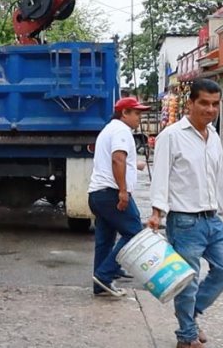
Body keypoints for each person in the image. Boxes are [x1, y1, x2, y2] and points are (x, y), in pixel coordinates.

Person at [148, 79, 223, 348]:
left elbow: (220, 177)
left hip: (212, 220)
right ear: (190, 103)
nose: (210, 109)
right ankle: (187, 337)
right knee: (186, 282)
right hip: (185, 221)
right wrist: (157, 212)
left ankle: (190, 318)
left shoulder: (213, 137)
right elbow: (161, 177)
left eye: (215, 104)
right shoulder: (171, 135)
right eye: (204, 103)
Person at [87, 97, 150, 297]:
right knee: (135, 234)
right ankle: (106, 274)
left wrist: (135, 166)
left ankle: (101, 284)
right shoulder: (122, 130)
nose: (139, 118)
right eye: (137, 113)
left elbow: (119, 159)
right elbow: (118, 159)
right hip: (112, 193)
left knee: (105, 239)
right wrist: (123, 191)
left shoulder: (109, 129)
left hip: (98, 194)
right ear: (124, 113)